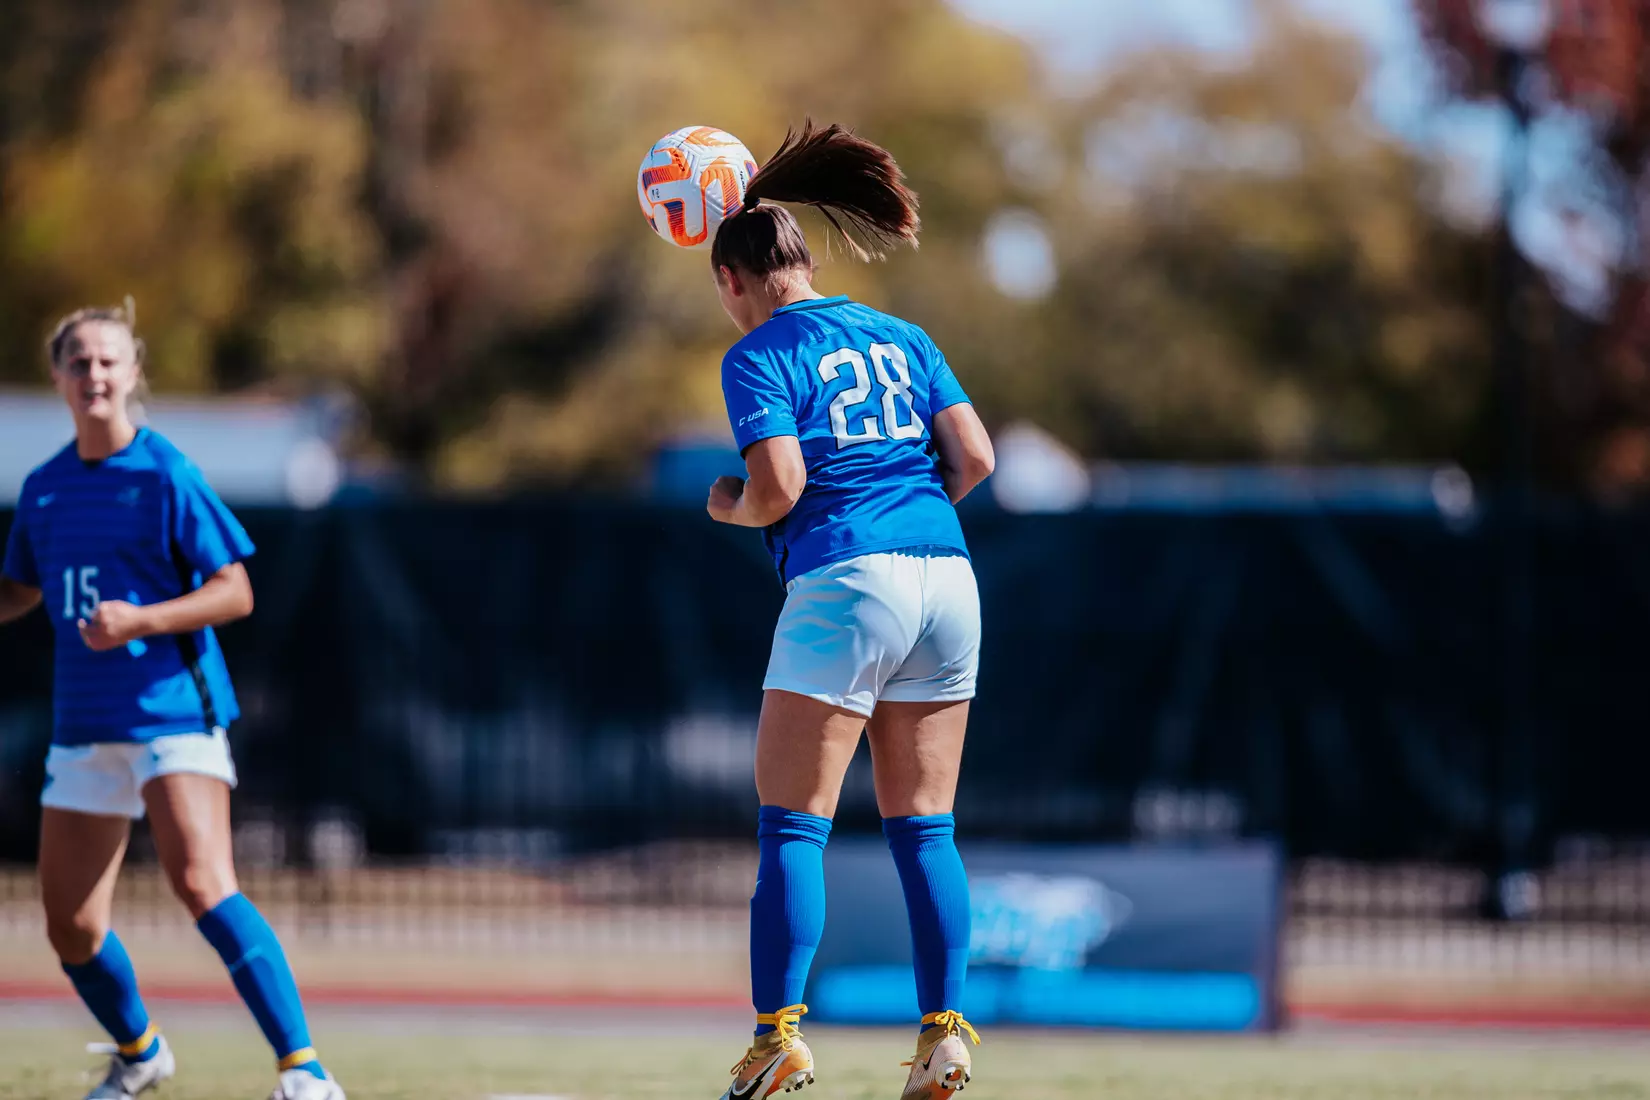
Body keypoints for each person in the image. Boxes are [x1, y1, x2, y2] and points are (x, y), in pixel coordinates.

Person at [705, 123, 997, 1100]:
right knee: (927, 827)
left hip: (846, 578)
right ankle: (944, 1035)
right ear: (807, 260)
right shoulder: (902, 334)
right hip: (948, 578)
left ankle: (776, 1035)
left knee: (794, 827)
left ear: (732, 282)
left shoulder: (755, 354)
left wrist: (729, 505)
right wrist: (908, 523)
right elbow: (977, 460)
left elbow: (779, 485)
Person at [0, 304, 346, 1100]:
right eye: (79, 362)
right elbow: (19, 588)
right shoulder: (45, 488)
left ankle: (304, 1071)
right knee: (71, 927)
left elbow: (236, 591)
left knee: (201, 880)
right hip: (84, 725)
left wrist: (141, 621)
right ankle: (141, 1052)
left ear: (132, 372)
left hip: (172, 713)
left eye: (108, 361)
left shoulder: (164, 473)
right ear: (57, 377)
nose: (94, 375)